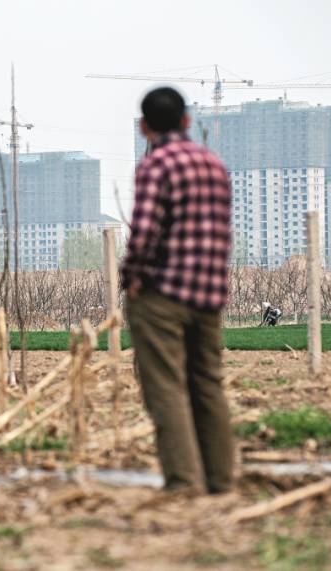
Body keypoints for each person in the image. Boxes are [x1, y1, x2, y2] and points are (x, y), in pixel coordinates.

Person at [122, 87, 234, 495]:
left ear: (144, 127)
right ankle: (220, 480)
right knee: (208, 384)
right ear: (187, 121)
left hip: (163, 296)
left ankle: (184, 482)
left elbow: (145, 233)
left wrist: (130, 278)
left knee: (166, 387)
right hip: (208, 296)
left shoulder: (156, 165)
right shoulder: (214, 164)